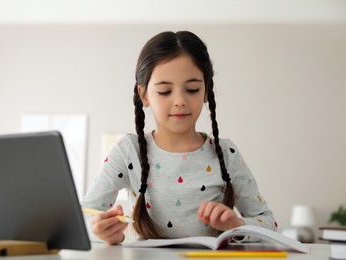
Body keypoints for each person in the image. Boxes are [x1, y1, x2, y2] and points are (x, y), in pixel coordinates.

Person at [82, 31, 277, 245]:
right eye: (165, 91)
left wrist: (236, 227)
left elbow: (269, 223)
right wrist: (103, 231)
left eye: (192, 89)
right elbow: (84, 215)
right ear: (144, 95)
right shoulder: (128, 150)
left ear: (206, 91)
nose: (180, 101)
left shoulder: (226, 153)